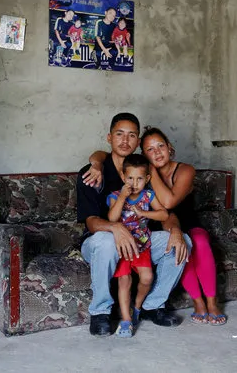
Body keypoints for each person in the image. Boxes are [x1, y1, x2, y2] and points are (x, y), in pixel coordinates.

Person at [88, 127, 227, 326]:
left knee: (191, 242)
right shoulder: (138, 178)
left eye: (160, 146)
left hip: (176, 223)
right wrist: (96, 161)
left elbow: (168, 206)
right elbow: (105, 154)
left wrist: (150, 171)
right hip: (147, 230)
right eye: (150, 150)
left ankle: (202, 303)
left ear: (169, 147)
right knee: (171, 248)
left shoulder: (174, 172)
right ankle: (197, 303)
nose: (157, 152)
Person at [77, 113, 191, 336]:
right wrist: (116, 228)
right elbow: (91, 223)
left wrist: (175, 230)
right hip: (101, 245)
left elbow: (166, 211)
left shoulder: (144, 171)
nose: (125, 140)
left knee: (182, 241)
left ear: (138, 142)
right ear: (109, 137)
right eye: (119, 134)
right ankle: (100, 312)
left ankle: (152, 306)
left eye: (131, 135)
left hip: (140, 240)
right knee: (105, 240)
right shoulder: (92, 173)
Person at [108, 154, 169, 337]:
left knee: (147, 278)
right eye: (130, 178)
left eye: (140, 178)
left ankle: (136, 307)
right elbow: (112, 218)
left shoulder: (148, 195)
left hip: (142, 246)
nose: (134, 183)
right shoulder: (115, 196)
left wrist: (144, 213)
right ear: (123, 177)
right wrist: (122, 198)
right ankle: (126, 320)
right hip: (124, 248)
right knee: (124, 280)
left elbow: (164, 215)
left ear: (147, 179)